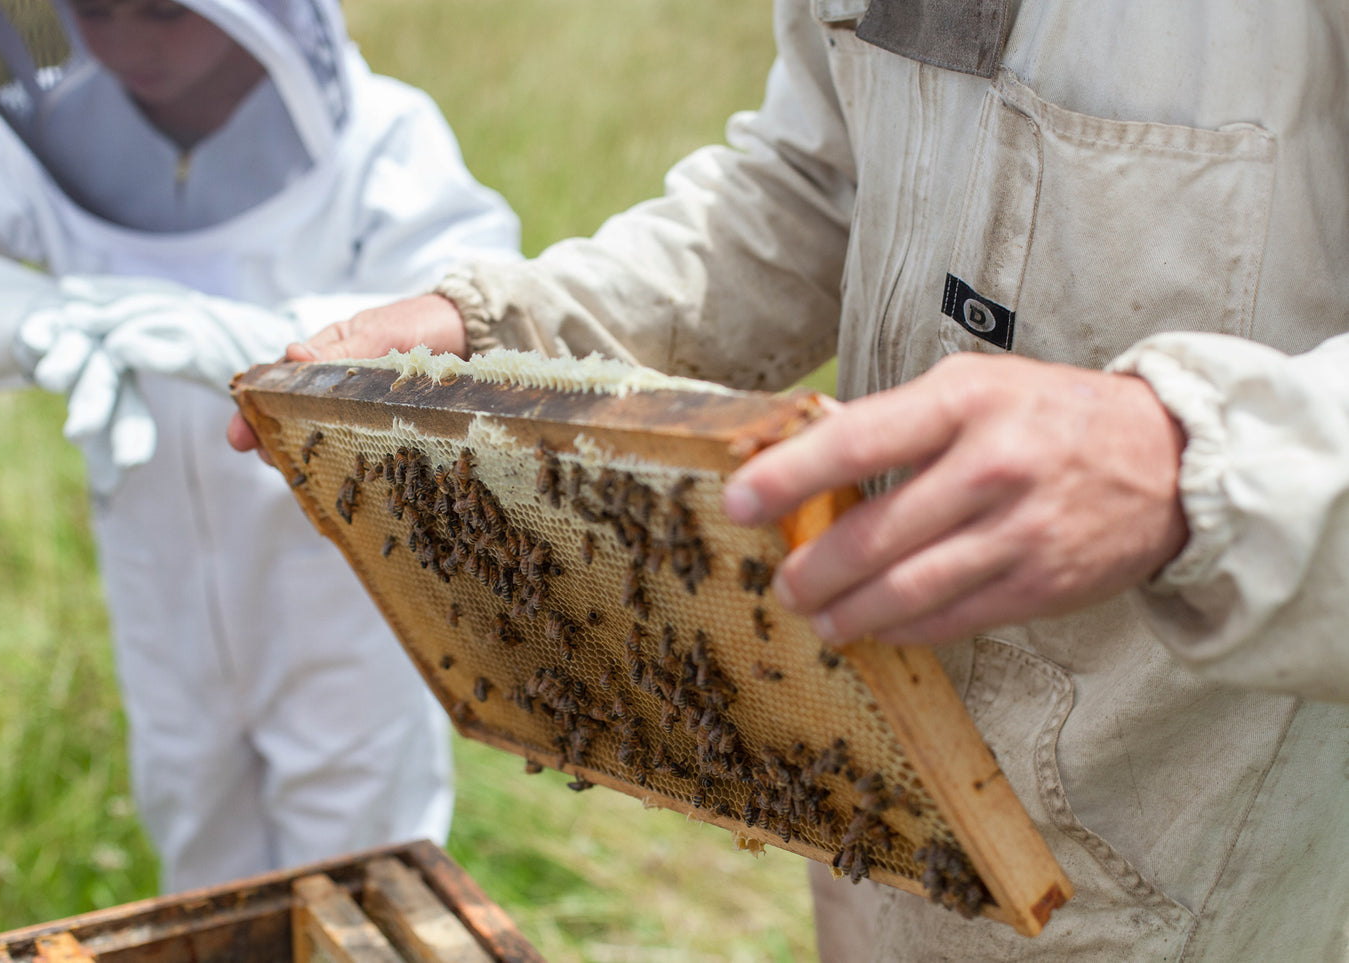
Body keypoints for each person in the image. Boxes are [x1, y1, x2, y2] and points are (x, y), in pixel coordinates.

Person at [231, 1, 1349, 959]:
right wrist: (496, 330)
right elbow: (817, 182)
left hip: (1211, 831)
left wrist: (1195, 456)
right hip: (875, 770)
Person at [0, 0, 521, 892]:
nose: (126, 43)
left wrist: (253, 339)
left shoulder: (384, 137)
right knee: (199, 846)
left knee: (360, 864)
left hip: (338, 576)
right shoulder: (30, 144)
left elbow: (465, 320)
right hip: (156, 574)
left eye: (161, 12)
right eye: (95, 12)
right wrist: (31, 319)